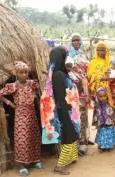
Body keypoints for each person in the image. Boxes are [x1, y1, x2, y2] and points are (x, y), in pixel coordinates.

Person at [0, 61, 43, 176]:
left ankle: (34, 161)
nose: (24, 75)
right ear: (16, 73)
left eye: (26, 72)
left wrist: (36, 97)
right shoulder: (13, 86)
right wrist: (10, 103)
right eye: (21, 73)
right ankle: (22, 165)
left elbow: (38, 91)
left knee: (33, 137)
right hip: (20, 116)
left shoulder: (32, 83)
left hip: (32, 114)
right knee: (22, 139)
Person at [45, 46, 80, 175]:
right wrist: (67, 109)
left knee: (69, 135)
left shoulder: (58, 72)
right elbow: (60, 95)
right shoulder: (58, 74)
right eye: (64, 56)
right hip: (65, 111)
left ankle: (71, 158)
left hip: (66, 110)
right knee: (69, 137)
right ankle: (60, 166)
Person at [88, 41, 115, 146]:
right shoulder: (92, 63)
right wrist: (98, 78)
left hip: (113, 94)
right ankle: (104, 141)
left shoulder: (111, 63)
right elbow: (89, 77)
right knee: (103, 116)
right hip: (100, 95)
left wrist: (113, 78)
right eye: (98, 50)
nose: (100, 52)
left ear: (107, 51)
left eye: (103, 50)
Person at [93, 88, 115, 152]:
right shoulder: (97, 106)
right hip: (101, 124)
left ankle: (108, 146)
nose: (103, 98)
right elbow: (95, 115)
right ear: (97, 97)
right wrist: (96, 123)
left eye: (104, 96)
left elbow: (112, 114)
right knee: (102, 135)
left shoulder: (109, 105)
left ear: (106, 96)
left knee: (108, 135)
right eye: (100, 97)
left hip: (109, 124)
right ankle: (102, 146)